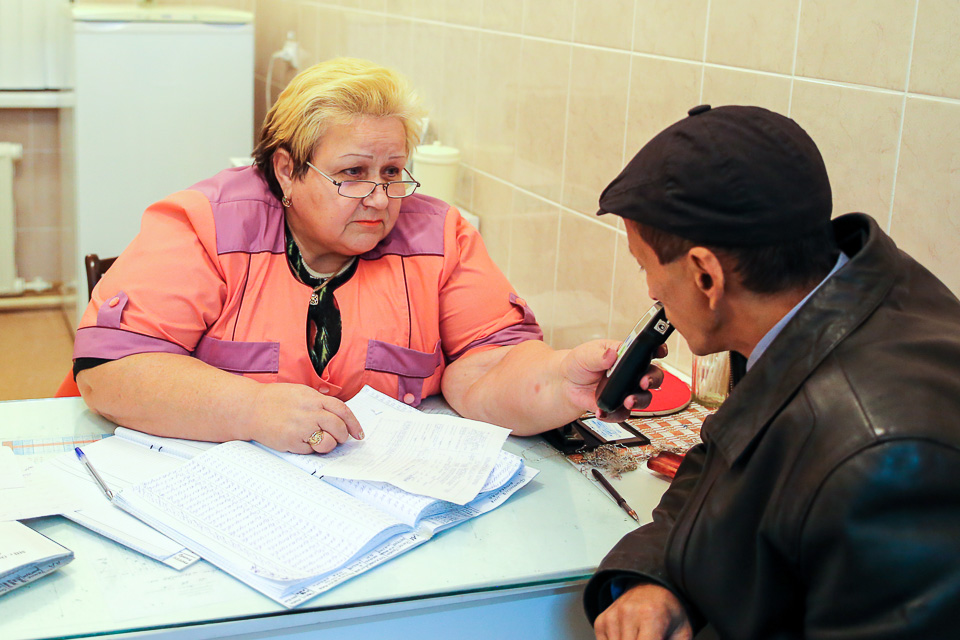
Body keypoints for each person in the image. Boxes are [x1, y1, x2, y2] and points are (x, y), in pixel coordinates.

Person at [72, 57, 640, 455]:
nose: (380, 198)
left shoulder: (440, 235)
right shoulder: (204, 224)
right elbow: (110, 371)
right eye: (352, 173)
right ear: (287, 170)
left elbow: (487, 368)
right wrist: (251, 409)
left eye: (392, 172)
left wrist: (563, 383)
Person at [584, 105, 960, 639]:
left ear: (706, 276)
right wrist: (659, 575)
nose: (651, 291)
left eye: (646, 267)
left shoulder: (879, 458)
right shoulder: (823, 299)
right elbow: (727, 459)